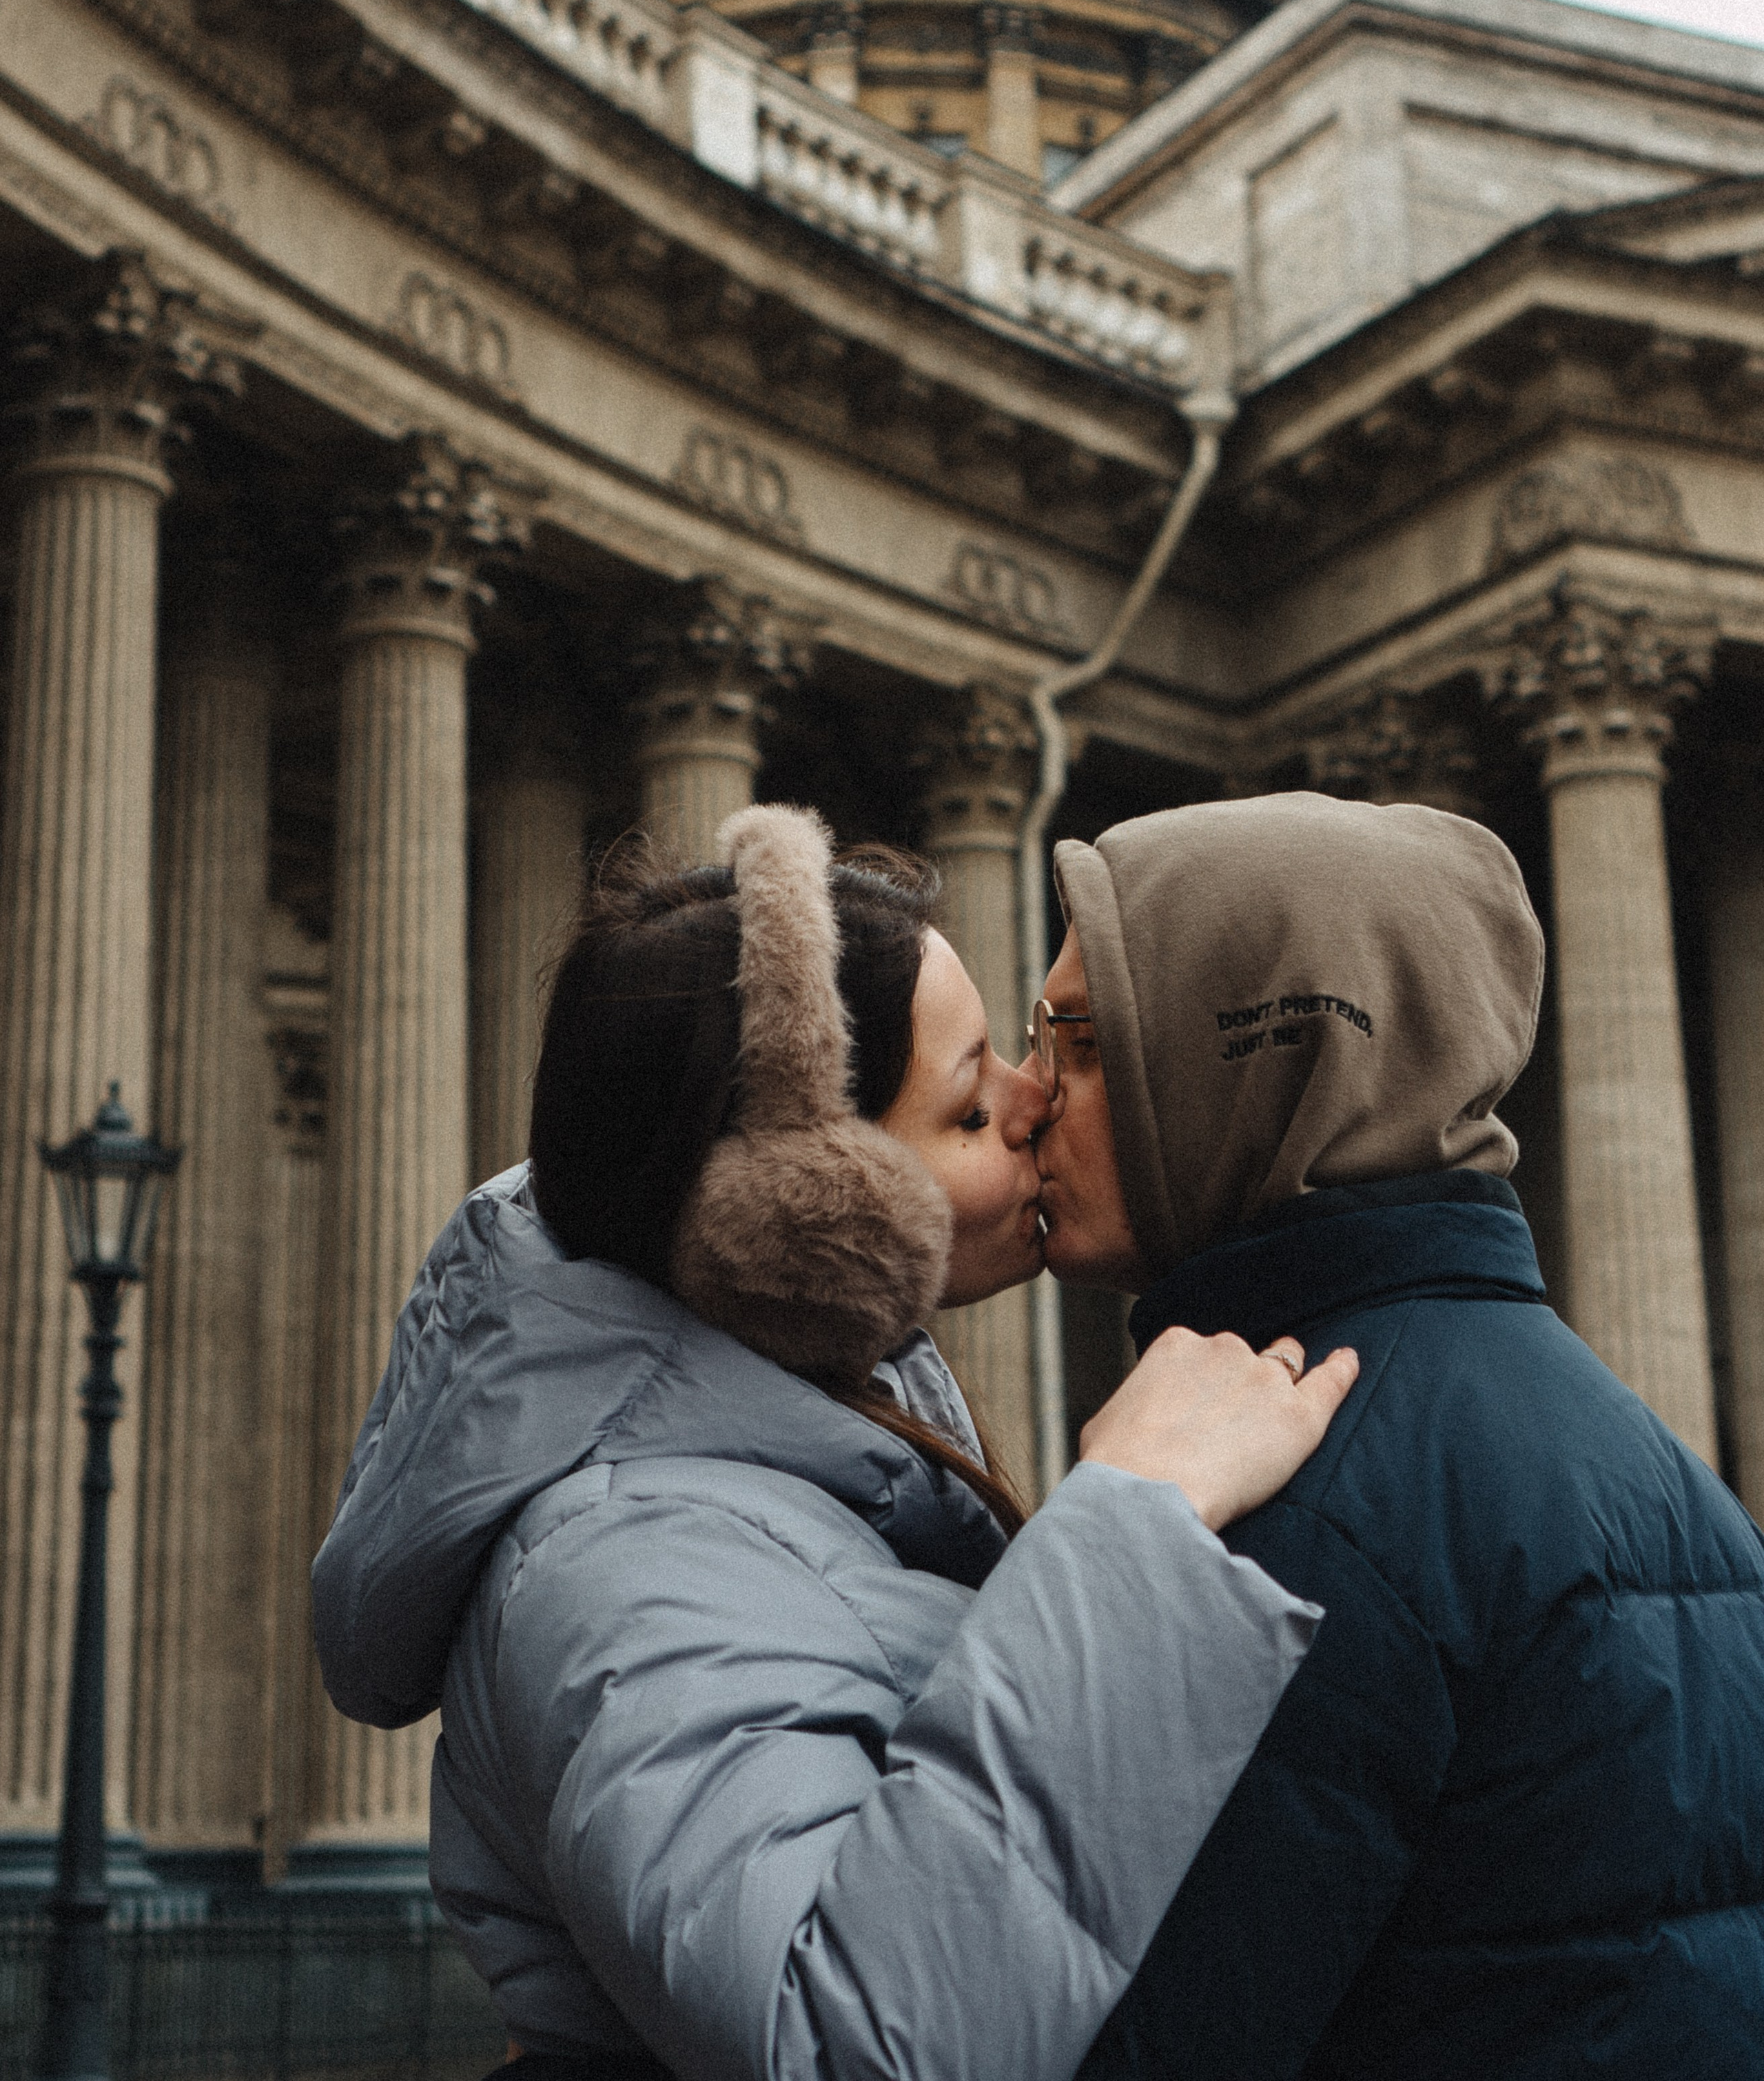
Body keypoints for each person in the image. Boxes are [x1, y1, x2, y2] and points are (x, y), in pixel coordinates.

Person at [312, 806, 1359, 2081]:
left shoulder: (794, 1461)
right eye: (972, 1108)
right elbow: (853, 2047)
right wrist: (1133, 1527)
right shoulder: (628, 1562)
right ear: (811, 1216)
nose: (1038, 1104)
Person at [1025, 790, 1764, 2081]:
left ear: (1238, 1061)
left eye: (1079, 1042)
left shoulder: (1294, 1511)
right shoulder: (1665, 1474)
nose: (1027, 1099)